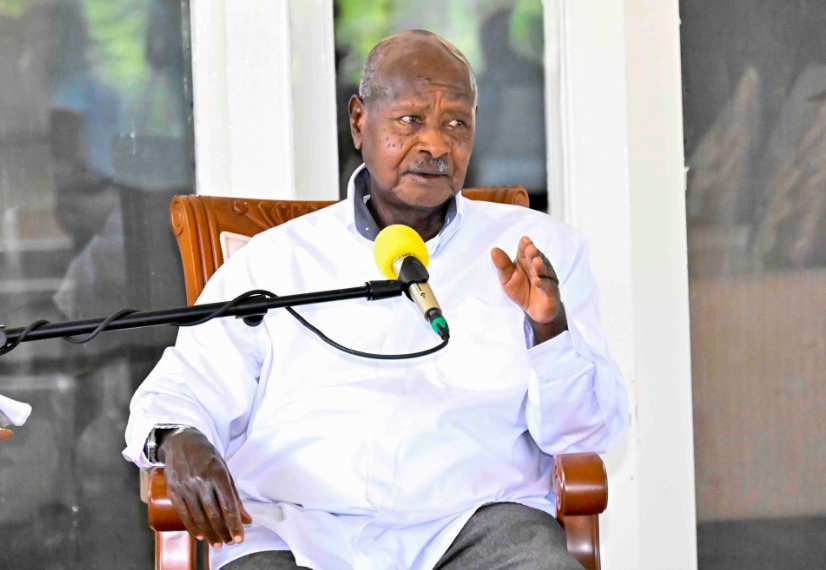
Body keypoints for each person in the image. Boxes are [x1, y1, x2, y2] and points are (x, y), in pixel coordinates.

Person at [124, 30, 628, 570]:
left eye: (456, 123)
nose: (436, 144)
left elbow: (589, 431)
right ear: (359, 121)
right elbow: (182, 388)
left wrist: (550, 333)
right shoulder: (271, 261)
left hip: (476, 528)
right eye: (411, 120)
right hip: (294, 531)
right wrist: (178, 438)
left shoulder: (536, 252)